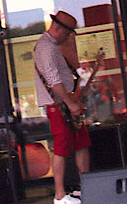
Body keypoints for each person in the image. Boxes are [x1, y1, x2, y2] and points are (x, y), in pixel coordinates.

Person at [34, 11, 93, 204]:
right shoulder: (46, 48)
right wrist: (70, 102)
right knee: (61, 147)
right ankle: (59, 195)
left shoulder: (51, 47)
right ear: (58, 28)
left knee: (81, 143)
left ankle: (86, 187)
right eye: (67, 34)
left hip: (64, 103)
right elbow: (53, 80)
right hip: (58, 105)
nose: (67, 38)